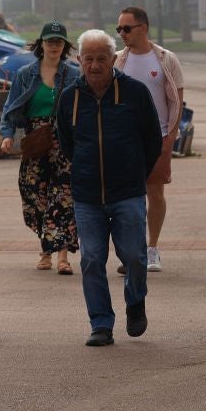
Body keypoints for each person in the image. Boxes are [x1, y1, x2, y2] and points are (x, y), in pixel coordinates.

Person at [56, 30, 162, 347]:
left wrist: (135, 173)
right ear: (79, 60)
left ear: (113, 59)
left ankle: (135, 301)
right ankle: (101, 323)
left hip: (127, 192)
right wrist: (86, 169)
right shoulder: (69, 98)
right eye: (88, 58)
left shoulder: (135, 93)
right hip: (87, 196)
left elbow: (152, 140)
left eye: (101, 58)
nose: (95, 65)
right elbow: (67, 143)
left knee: (134, 257)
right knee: (91, 260)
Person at [0, 21, 82, 275]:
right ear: (41, 44)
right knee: (35, 195)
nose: (54, 46)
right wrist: (7, 135)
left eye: (59, 42)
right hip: (36, 140)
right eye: (50, 41)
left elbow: (83, 108)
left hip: (64, 141)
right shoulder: (25, 73)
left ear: (65, 46)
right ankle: (45, 248)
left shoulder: (74, 74)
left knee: (63, 197)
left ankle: (61, 257)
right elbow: (11, 105)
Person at [114, 6, 184, 273]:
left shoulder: (166, 59)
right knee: (126, 198)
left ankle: (152, 248)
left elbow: (176, 101)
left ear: (142, 28)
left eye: (126, 28)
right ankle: (133, 251)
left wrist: (170, 139)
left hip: (158, 138)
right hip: (125, 140)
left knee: (155, 194)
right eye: (119, 29)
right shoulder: (117, 61)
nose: (122, 33)